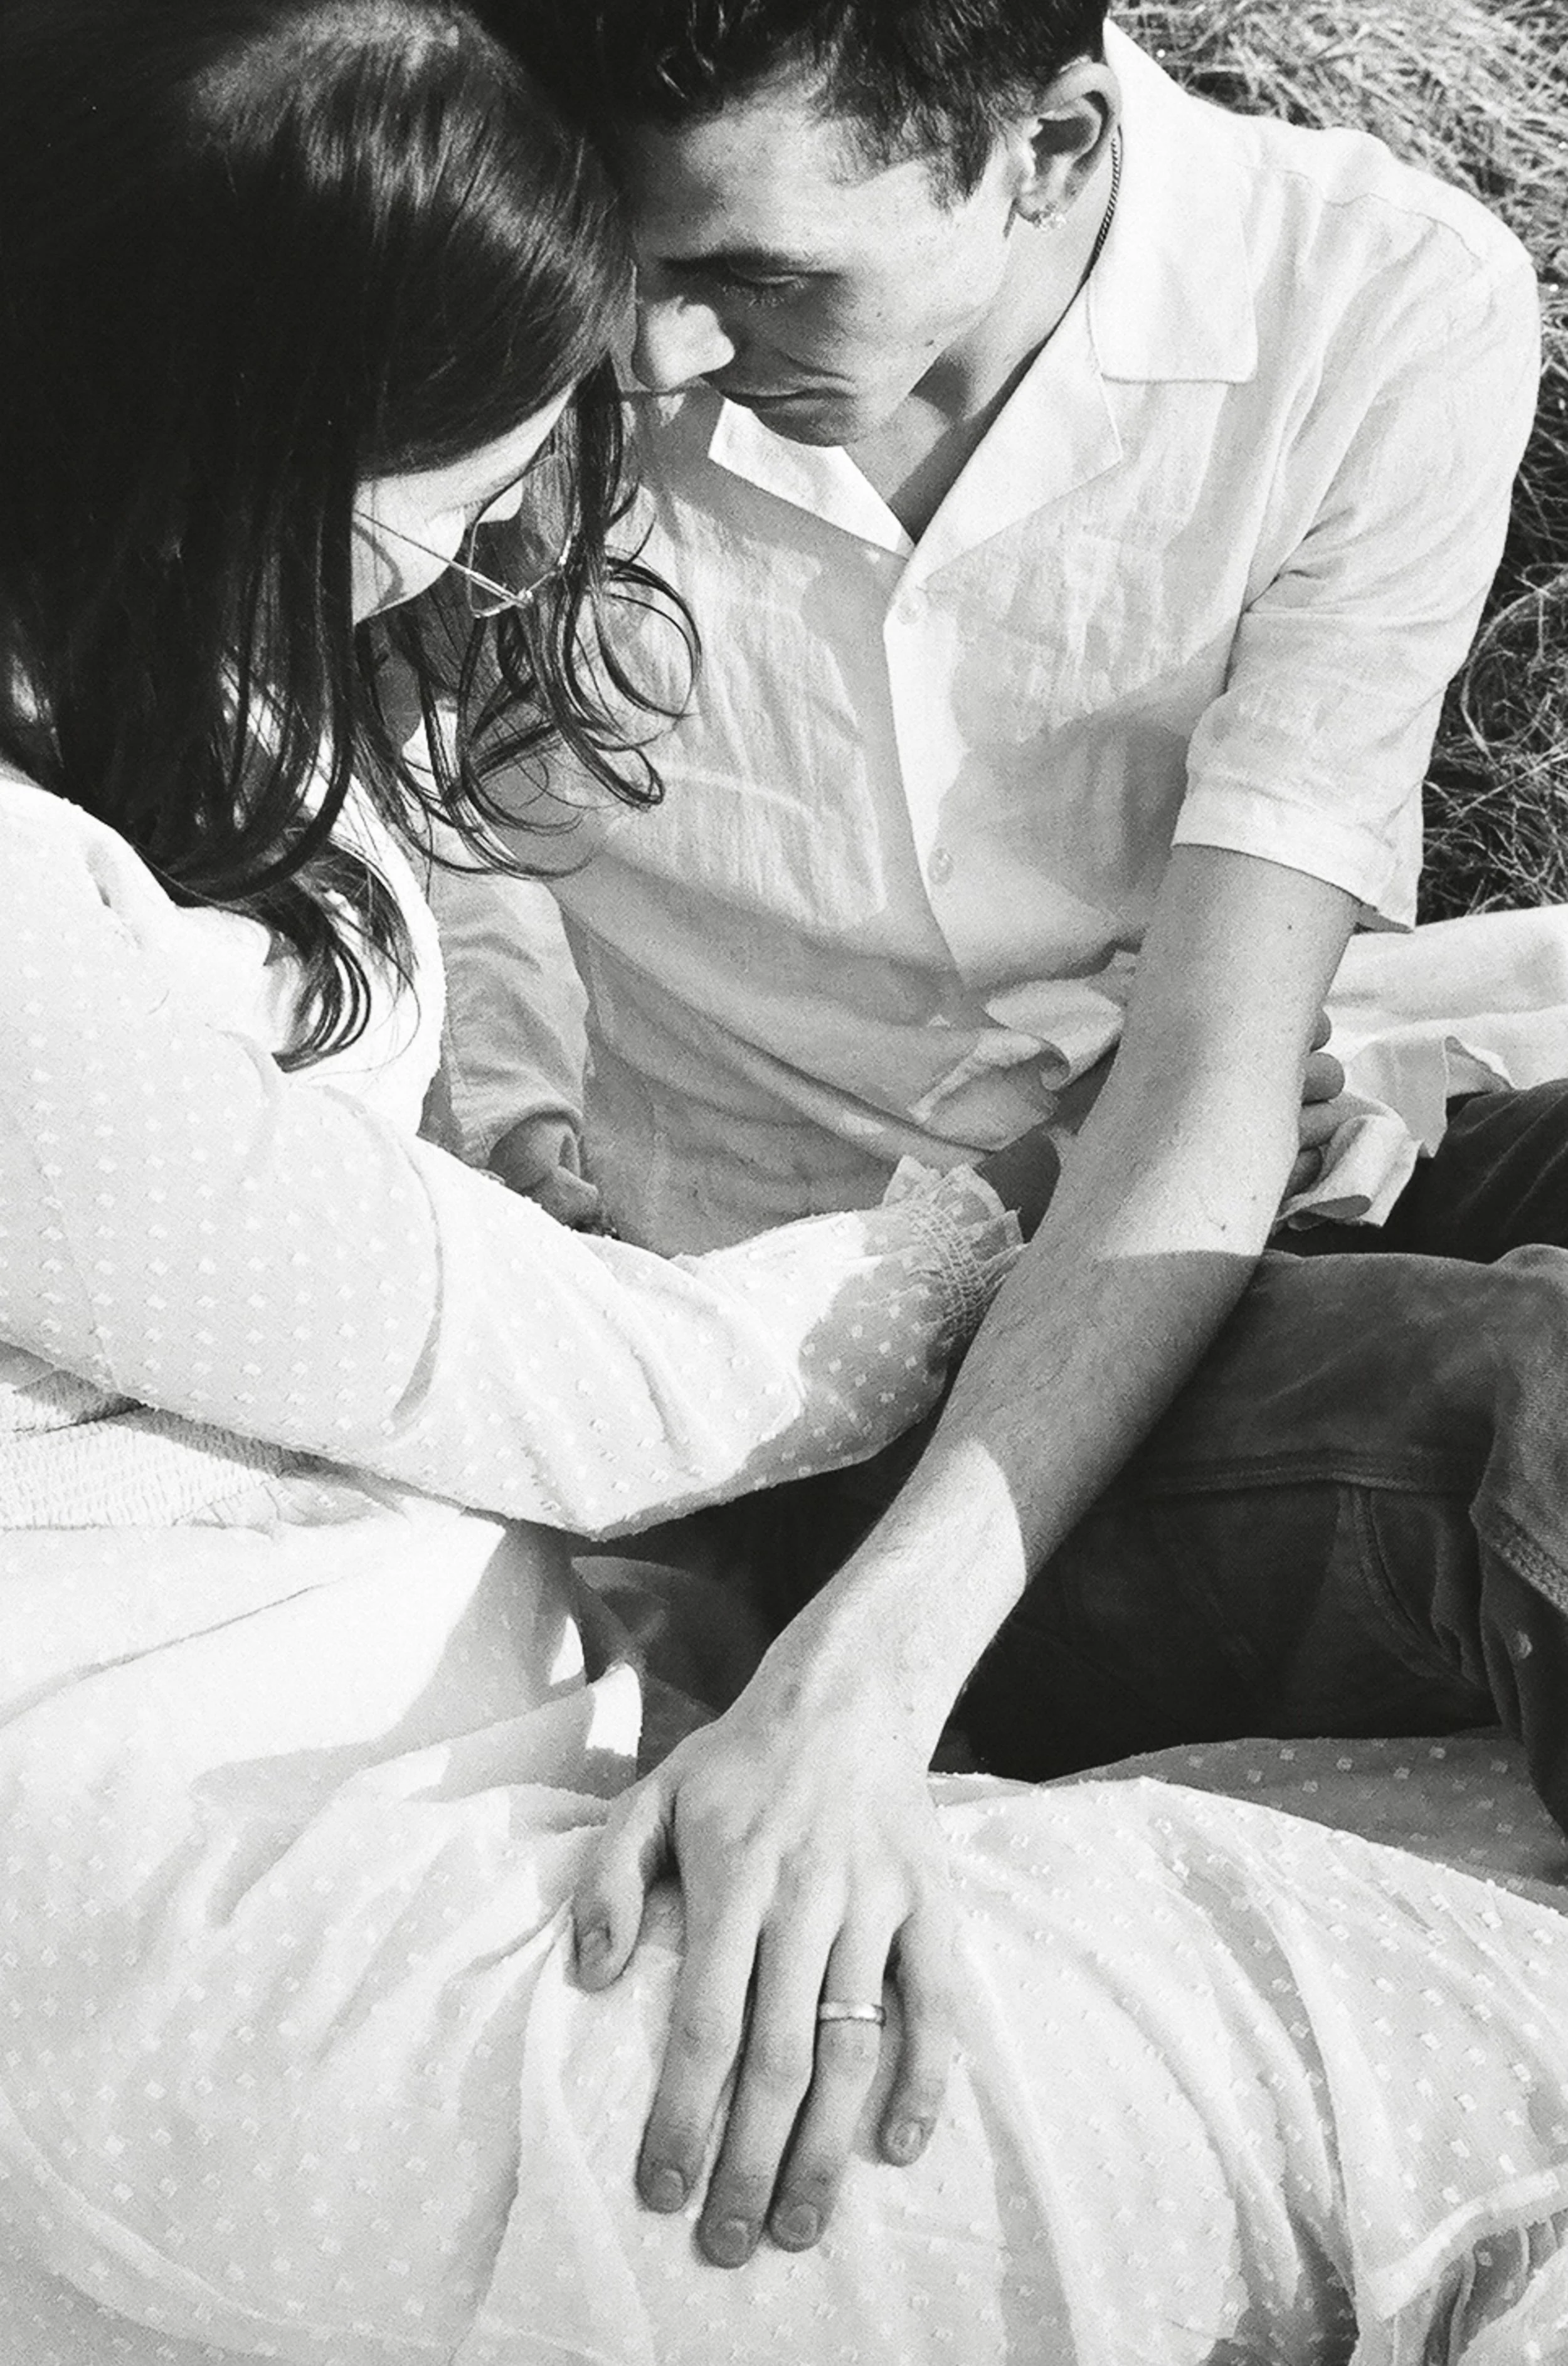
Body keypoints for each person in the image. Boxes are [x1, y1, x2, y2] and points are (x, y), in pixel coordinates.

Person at [393, 0, 1568, 2268]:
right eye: (636, 258)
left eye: (758, 275)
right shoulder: (535, 312)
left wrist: (868, 1697)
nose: (654, 345)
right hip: (822, 1360)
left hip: (1249, 1177)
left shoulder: (1373, 295)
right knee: (1528, 1406)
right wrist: (842, 1663)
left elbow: (1221, 1058)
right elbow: (437, 848)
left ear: (1045, 147)